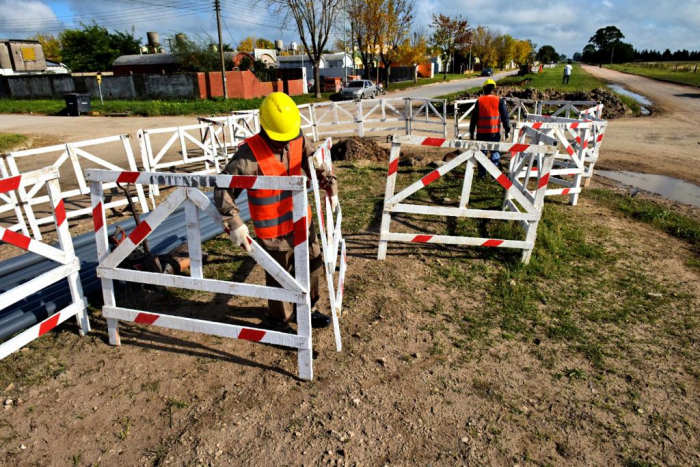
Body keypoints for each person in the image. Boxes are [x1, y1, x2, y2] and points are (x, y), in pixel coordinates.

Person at [215, 92, 338, 332]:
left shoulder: (296, 137)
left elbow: (313, 160)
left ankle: (308, 309)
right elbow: (223, 188)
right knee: (279, 278)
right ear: (265, 127)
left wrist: (327, 179)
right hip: (274, 232)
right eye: (280, 138)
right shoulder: (248, 156)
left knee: (313, 263)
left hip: (303, 222)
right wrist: (235, 222)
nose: (286, 142)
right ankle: (278, 320)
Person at [469, 79, 511, 179]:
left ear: (484, 89)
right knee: (495, 152)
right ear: (494, 89)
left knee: (481, 154)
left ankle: (482, 174)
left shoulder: (480, 101)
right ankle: (494, 174)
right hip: (494, 132)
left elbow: (474, 118)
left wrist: (471, 132)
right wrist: (507, 130)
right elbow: (505, 117)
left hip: (481, 132)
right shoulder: (499, 100)